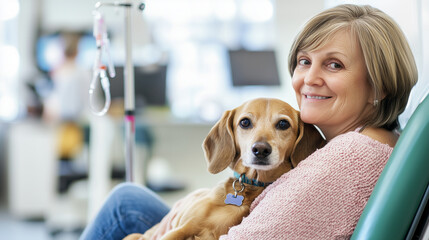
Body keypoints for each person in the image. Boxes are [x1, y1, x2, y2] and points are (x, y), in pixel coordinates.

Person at [79, 4, 418, 239]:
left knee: (125, 204)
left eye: (334, 65)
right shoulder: (375, 139)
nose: (308, 79)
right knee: (130, 199)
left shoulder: (349, 158)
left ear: (379, 85)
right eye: (304, 61)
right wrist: (203, 202)